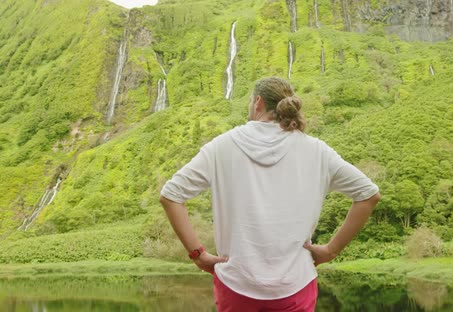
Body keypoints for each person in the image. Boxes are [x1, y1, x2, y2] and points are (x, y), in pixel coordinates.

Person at [160, 77, 381, 311]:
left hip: (236, 286)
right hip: (295, 285)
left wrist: (198, 254)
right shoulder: (317, 151)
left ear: (258, 103)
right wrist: (331, 250)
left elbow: (171, 195)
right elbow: (369, 194)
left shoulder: (221, 147)